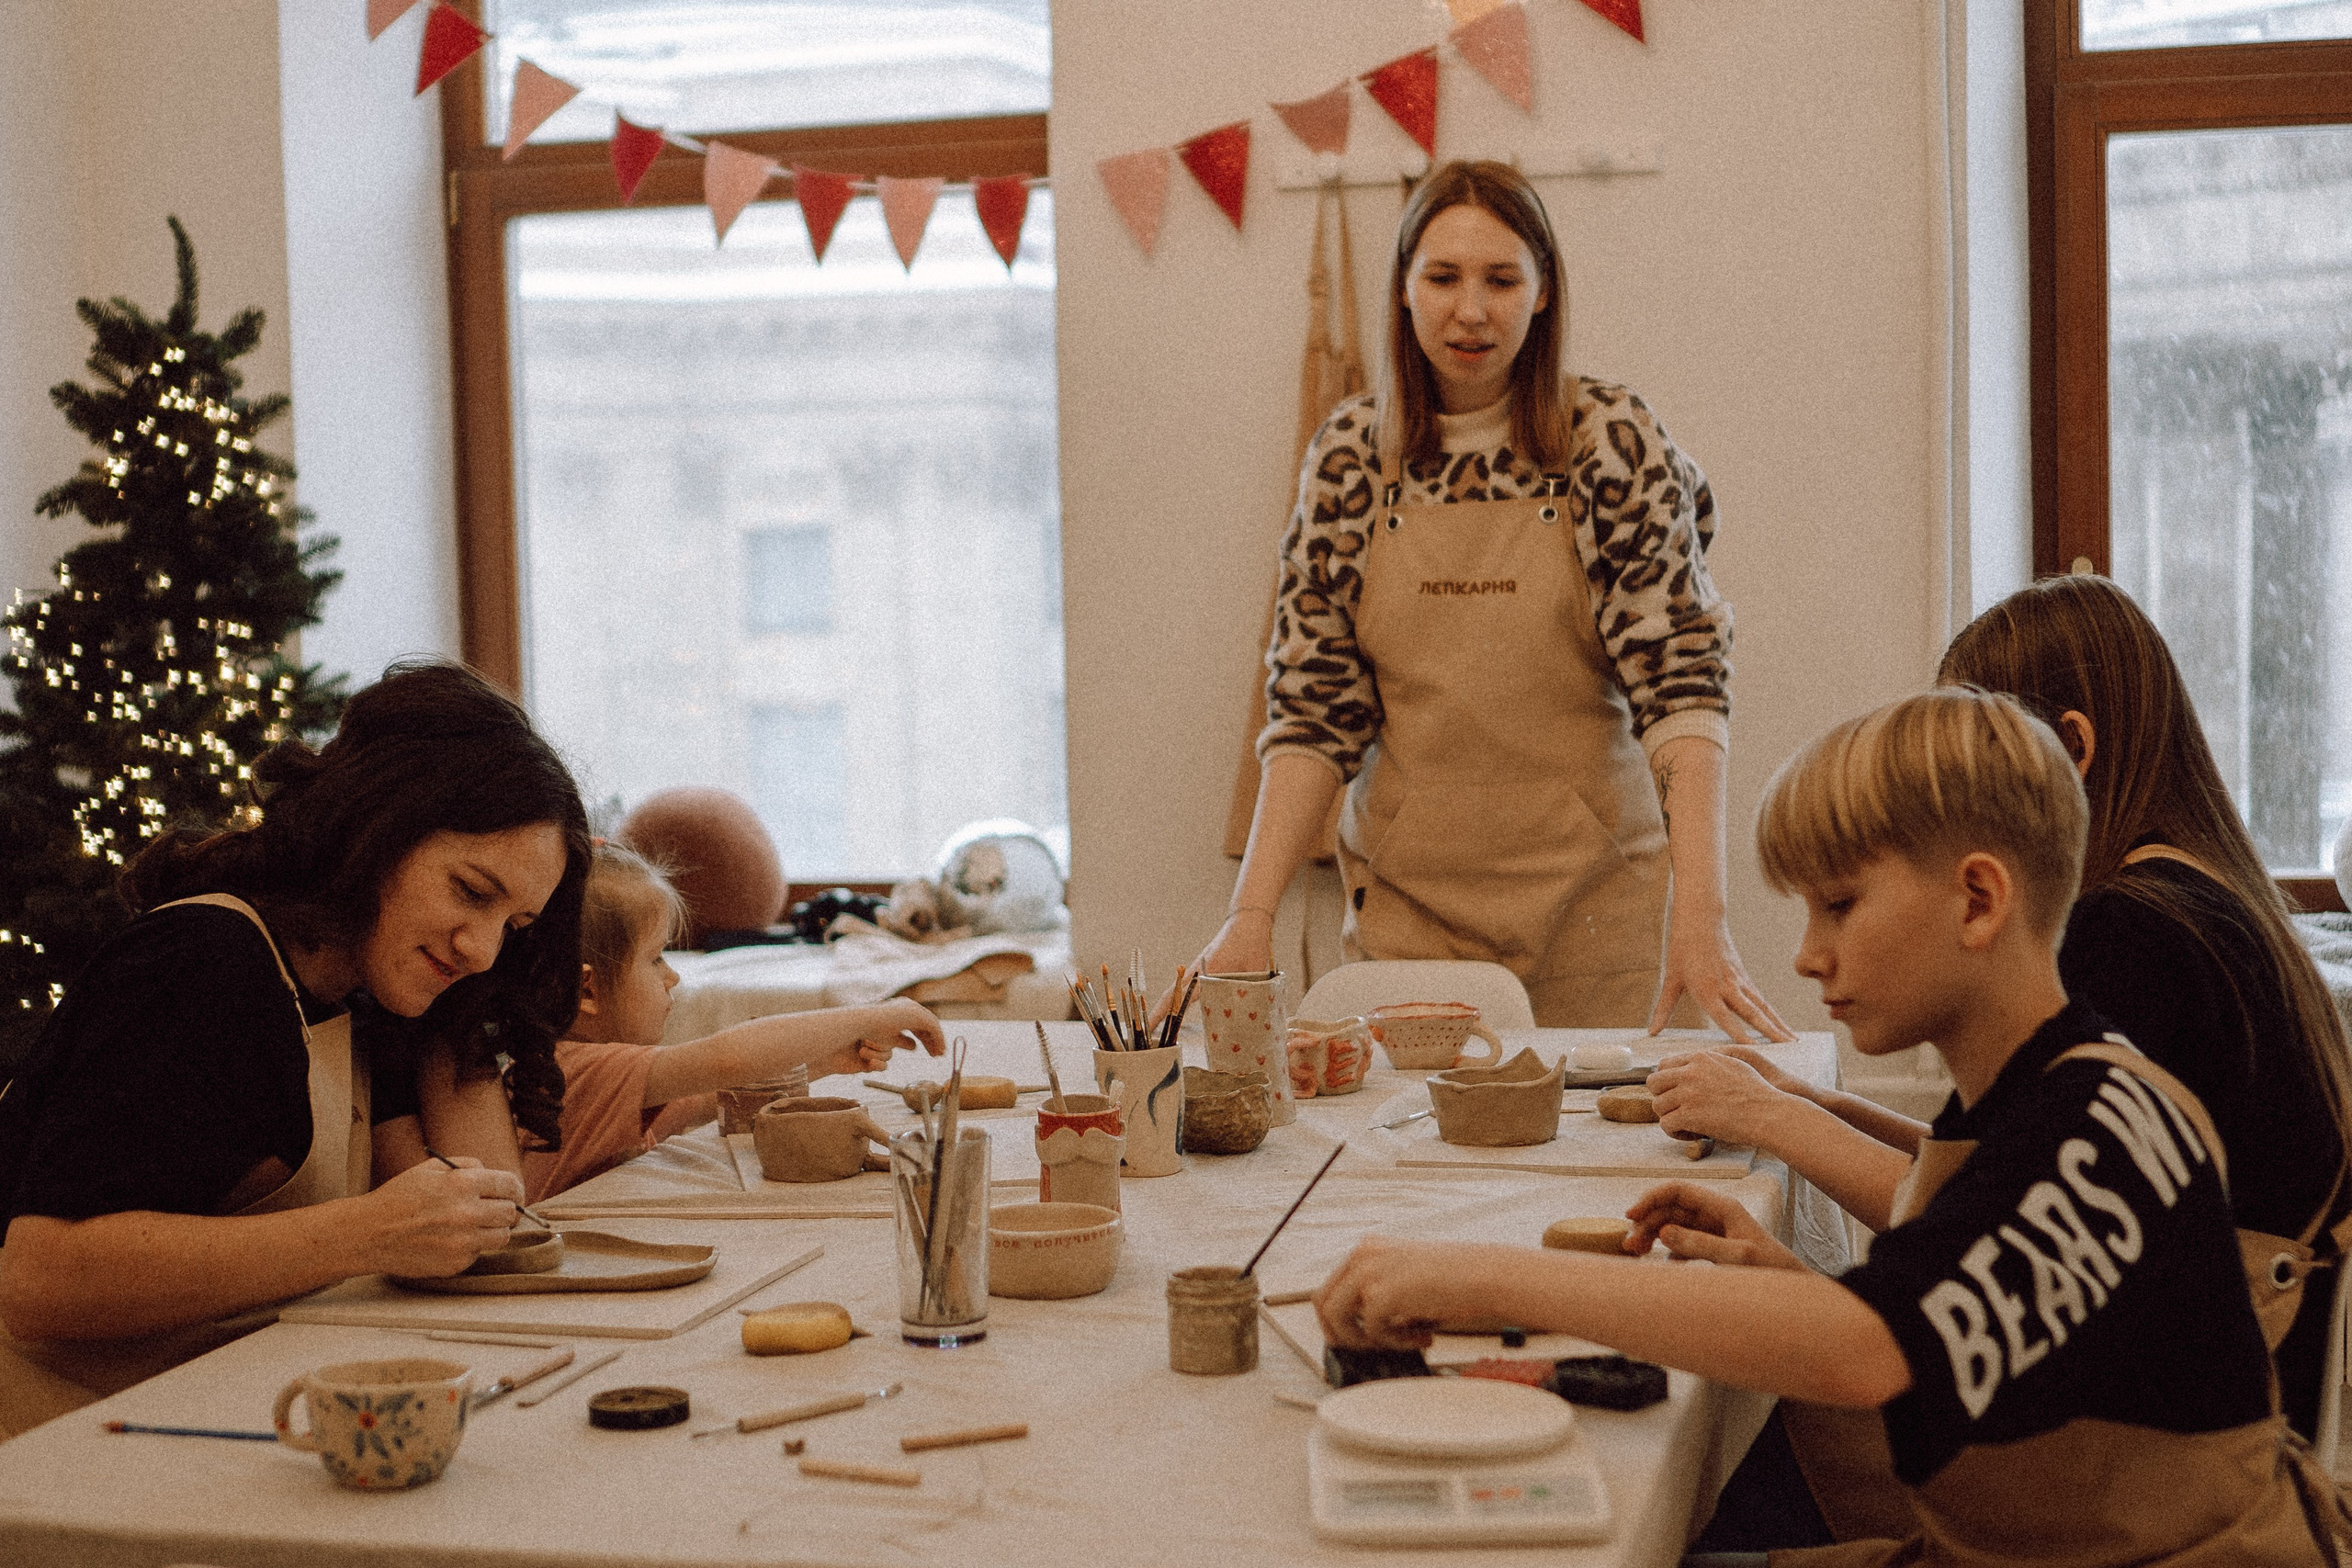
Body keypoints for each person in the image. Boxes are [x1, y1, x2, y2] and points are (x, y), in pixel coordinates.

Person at [1317, 688, 2342, 1566]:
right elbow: (1989, 1325)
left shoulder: (2088, 1134)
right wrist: (1778, 1271)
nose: (1806, 956)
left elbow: (1867, 1353)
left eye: (1839, 905)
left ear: (1978, 899)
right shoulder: (2052, 1084)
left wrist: (1474, 1274)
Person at [1648, 575, 2352, 1440]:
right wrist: (1808, 1105)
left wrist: (1774, 1120)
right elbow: (2003, 1165)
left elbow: (1967, 1214)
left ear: (2071, 749)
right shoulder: (2191, 895)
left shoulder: (2138, 936)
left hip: (2167, 1440)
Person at [1199, 158, 1785, 1038]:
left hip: (1598, 919)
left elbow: (1684, 690)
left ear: (1544, 292)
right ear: (1403, 289)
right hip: (1408, 927)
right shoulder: (1352, 457)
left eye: (1501, 278)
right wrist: (1250, 918)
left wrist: (1703, 920)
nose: (1470, 309)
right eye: (1442, 277)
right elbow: (1313, 711)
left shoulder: (1610, 442)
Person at [0, 660, 589, 1437]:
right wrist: (368, 1232)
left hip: (192, 1416)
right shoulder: (204, 963)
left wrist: (464, 1006)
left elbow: (489, 1212)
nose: (482, 947)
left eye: (513, 927)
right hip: (50, 1445)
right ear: (380, 827)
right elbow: (39, 1279)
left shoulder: (365, 987)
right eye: (470, 891)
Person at [519, 842, 946, 1202]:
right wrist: (872, 1014)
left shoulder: (600, 1076)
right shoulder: (570, 1069)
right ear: (587, 991)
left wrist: (819, 1061)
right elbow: (729, 1060)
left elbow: (717, 1097)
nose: (673, 977)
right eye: (655, 959)